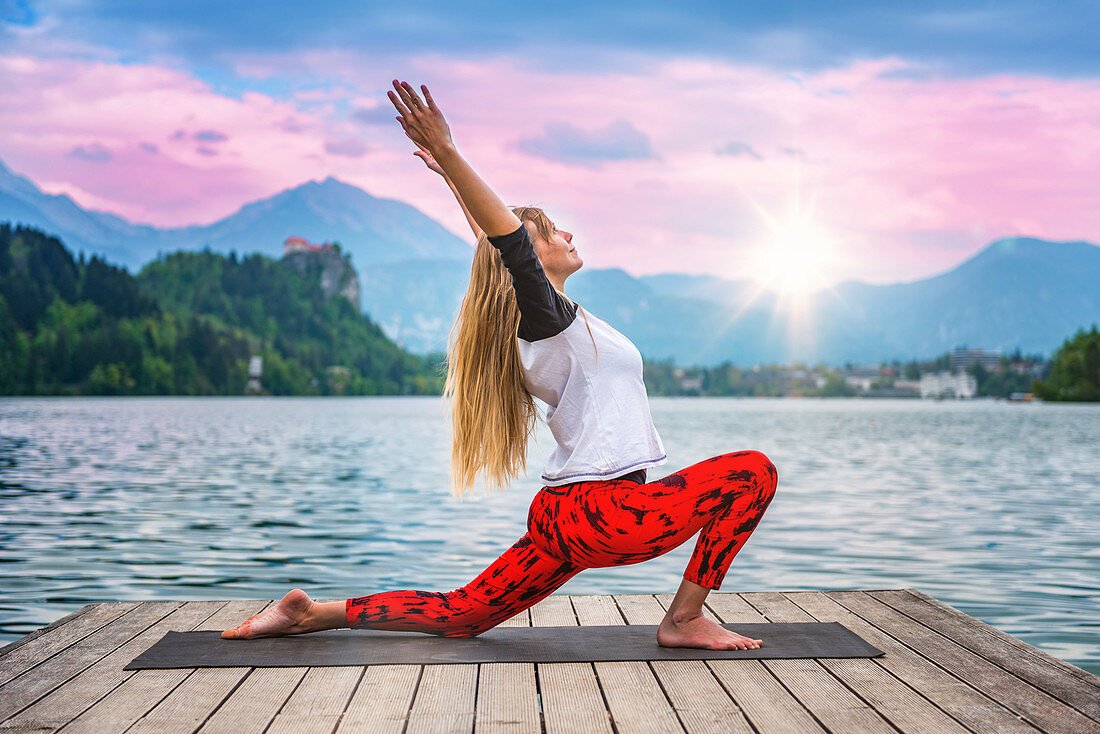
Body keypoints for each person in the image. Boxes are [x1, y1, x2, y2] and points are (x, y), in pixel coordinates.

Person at [222, 80, 778, 650]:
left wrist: (451, 179)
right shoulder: (546, 319)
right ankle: (684, 619)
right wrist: (450, 154)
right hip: (607, 512)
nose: (568, 232)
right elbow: (508, 242)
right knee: (752, 471)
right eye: (553, 231)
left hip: (565, 516)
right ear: (531, 259)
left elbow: (499, 244)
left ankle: (312, 614)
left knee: (465, 614)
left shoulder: (553, 319)